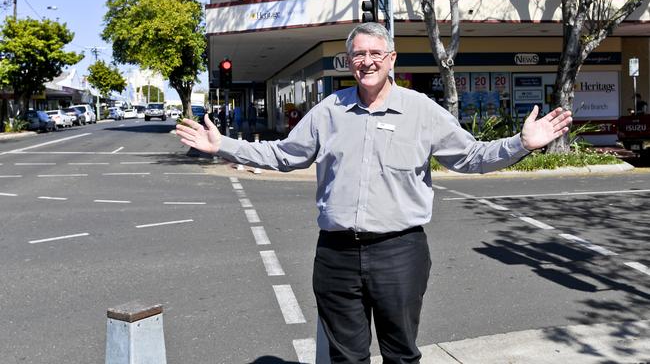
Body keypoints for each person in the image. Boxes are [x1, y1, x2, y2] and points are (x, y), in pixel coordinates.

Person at [176, 22, 572, 363]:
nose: (367, 61)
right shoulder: (329, 111)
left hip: (399, 252)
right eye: (358, 54)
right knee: (345, 356)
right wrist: (223, 145)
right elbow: (283, 155)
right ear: (349, 62)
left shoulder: (421, 111)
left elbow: (471, 157)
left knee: (400, 353)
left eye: (375, 53)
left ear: (392, 58)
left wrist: (522, 144)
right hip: (336, 254)